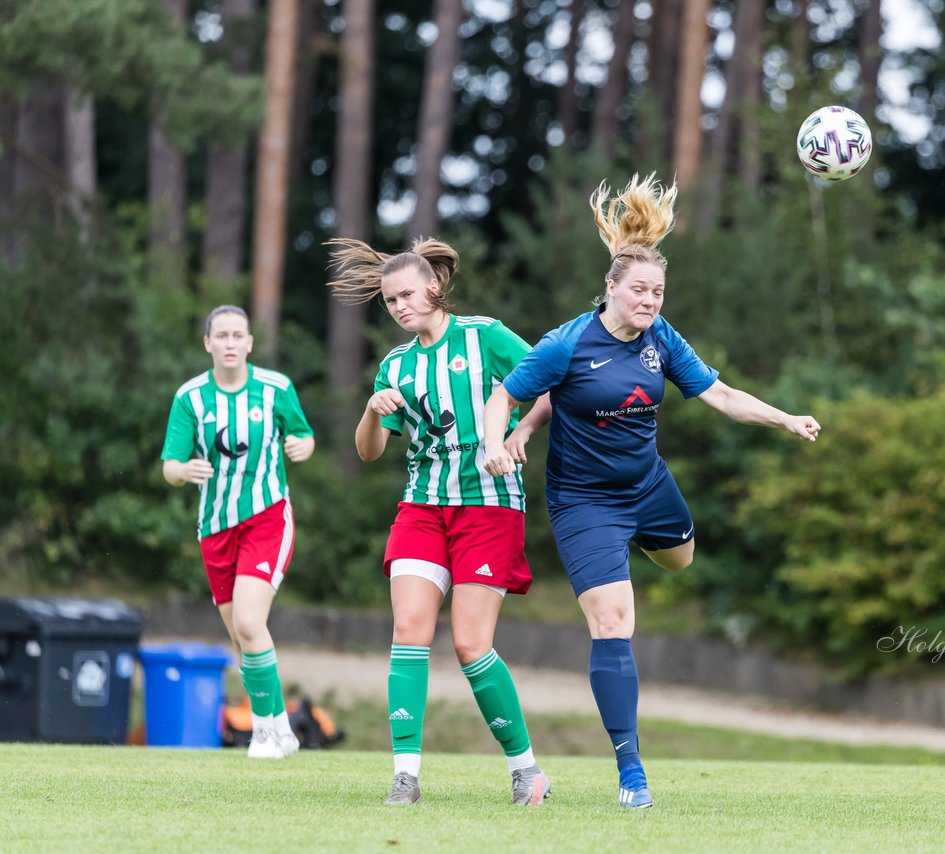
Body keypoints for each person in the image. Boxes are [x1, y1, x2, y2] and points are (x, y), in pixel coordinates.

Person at [482, 174, 821, 809]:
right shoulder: (566, 342)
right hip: (585, 504)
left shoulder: (661, 339)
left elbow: (719, 395)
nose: (650, 301)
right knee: (614, 622)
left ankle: (635, 546)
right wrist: (496, 441)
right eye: (638, 290)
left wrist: (784, 417)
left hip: (650, 487)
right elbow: (505, 394)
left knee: (682, 558)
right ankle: (631, 771)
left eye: (658, 292)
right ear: (610, 289)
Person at [326, 236, 552, 807]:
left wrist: (517, 433)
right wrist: (370, 412)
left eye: (406, 295)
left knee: (471, 645)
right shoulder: (395, 365)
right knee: (409, 632)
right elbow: (369, 452)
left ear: (435, 287)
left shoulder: (484, 336)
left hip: (489, 507)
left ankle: (526, 771)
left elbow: (550, 384)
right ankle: (405, 776)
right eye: (390, 301)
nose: (400, 307)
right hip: (422, 508)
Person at [161, 305, 316, 760]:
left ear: (250, 343)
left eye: (238, 335)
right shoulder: (190, 397)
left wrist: (301, 446)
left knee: (251, 623)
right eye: (221, 335)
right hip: (214, 528)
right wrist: (182, 470)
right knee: (240, 639)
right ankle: (272, 729)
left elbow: (304, 437)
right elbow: (170, 464)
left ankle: (273, 730)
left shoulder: (275, 388)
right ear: (208, 344)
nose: (230, 343)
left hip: (267, 517)